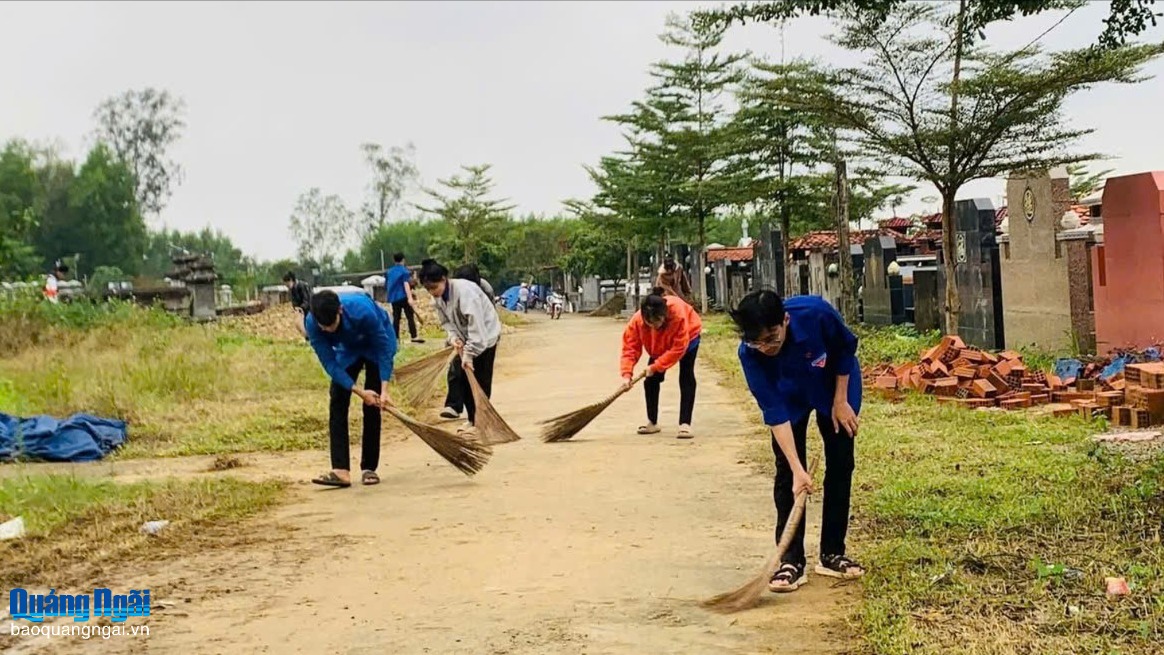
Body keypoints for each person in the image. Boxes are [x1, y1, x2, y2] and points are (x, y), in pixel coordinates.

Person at [730, 290, 865, 593]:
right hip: (789, 396)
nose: (766, 348)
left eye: (772, 338)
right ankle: (791, 561)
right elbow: (774, 412)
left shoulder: (815, 313)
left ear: (786, 320)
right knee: (786, 473)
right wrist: (797, 469)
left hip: (833, 385)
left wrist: (840, 400)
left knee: (840, 463)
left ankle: (832, 553)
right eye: (757, 342)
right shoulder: (749, 354)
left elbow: (845, 347)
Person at [306, 290, 398, 488]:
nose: (328, 330)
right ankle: (340, 470)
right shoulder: (312, 323)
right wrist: (359, 391)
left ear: (340, 310)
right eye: (324, 327)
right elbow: (330, 363)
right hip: (348, 349)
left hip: (375, 344)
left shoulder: (362, 310)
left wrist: (384, 390)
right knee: (338, 399)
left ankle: (369, 468)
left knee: (372, 405)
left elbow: (383, 348)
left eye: (332, 325)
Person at [419, 259, 501, 434]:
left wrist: (469, 354)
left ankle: (481, 422)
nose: (432, 292)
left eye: (434, 287)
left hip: (486, 336)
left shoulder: (466, 293)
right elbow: (446, 322)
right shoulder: (438, 298)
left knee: (480, 380)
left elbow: (477, 327)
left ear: (444, 279)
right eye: (428, 289)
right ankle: (472, 420)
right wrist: (454, 338)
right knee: (463, 380)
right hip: (464, 339)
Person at [620, 287, 702, 439]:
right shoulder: (637, 322)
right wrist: (626, 375)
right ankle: (652, 422)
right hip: (658, 346)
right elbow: (630, 348)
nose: (653, 326)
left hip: (688, 338)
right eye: (649, 323)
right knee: (650, 381)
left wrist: (656, 366)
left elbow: (678, 348)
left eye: (657, 321)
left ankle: (685, 423)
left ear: (664, 315)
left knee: (686, 375)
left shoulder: (677, 314)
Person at [440, 263, 500, 420]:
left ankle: (480, 416)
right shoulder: (450, 291)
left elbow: (486, 316)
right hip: (462, 335)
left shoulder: (484, 289)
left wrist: (472, 349)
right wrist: (454, 338)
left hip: (485, 335)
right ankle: (454, 405)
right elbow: (448, 319)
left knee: (481, 377)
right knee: (457, 371)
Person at [386, 253, 423, 343]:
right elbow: (406, 284)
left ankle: (396, 338)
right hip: (403, 296)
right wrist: (410, 298)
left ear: (394, 260)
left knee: (396, 317)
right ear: (403, 260)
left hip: (394, 298)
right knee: (410, 316)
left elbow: (387, 285)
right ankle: (414, 336)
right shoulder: (404, 271)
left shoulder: (389, 272)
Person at [283, 272, 313, 339]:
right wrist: (296, 309)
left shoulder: (302, 286)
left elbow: (307, 299)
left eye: (287, 284)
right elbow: (294, 301)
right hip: (301, 311)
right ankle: (307, 338)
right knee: (299, 325)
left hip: (310, 310)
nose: (287, 286)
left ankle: (310, 339)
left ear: (291, 280)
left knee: (309, 325)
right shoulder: (292, 289)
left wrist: (301, 308)